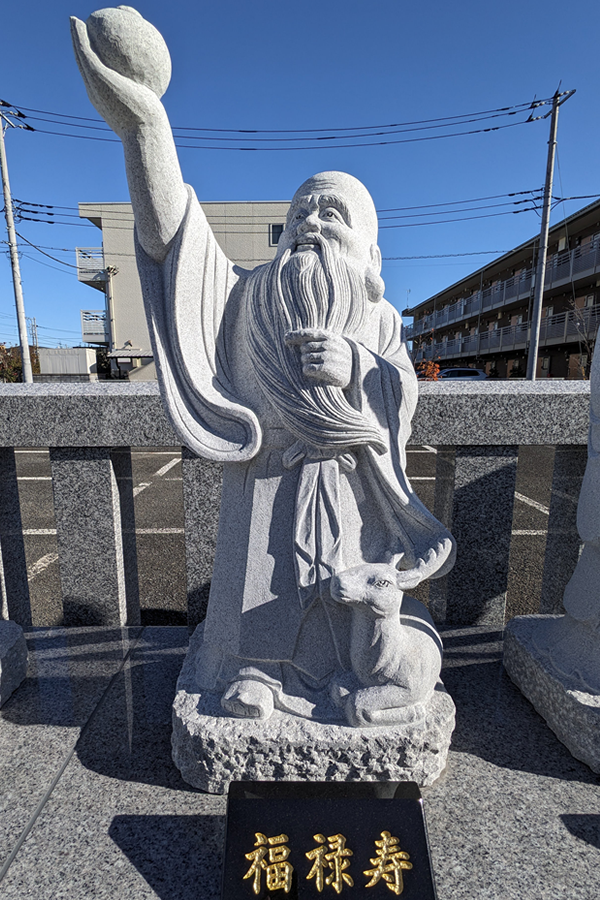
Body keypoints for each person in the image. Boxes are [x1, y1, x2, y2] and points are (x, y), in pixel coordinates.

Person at [71, 9, 455, 723]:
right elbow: (175, 245)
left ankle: (352, 676)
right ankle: (255, 675)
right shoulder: (249, 297)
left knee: (349, 598)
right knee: (260, 587)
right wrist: (146, 128)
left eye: (332, 214)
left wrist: (356, 366)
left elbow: (400, 395)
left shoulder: (379, 320)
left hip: (350, 487)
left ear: (370, 255)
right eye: (301, 212)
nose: (310, 222)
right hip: (268, 477)